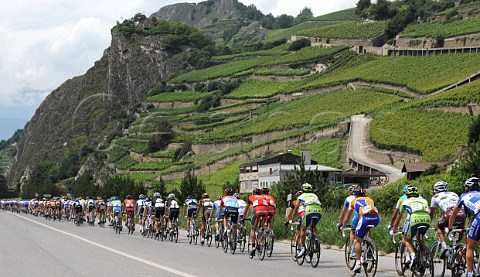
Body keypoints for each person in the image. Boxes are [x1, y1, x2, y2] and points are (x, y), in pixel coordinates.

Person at [343, 188, 380, 274]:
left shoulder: (353, 201)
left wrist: (344, 226)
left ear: (355, 195)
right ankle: (369, 246)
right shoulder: (370, 199)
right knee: (366, 232)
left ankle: (358, 263)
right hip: (376, 219)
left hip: (364, 219)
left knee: (358, 240)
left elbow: (348, 217)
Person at [391, 186, 430, 267]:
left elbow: (398, 219)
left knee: (406, 240)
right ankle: (424, 259)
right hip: (427, 220)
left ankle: (413, 256)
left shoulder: (405, 202)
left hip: (414, 220)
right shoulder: (424, 200)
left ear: (407, 195)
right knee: (420, 239)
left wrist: (394, 230)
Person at [448, 177, 480, 277]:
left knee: (470, 247)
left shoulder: (463, 196)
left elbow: (453, 215)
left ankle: (469, 273)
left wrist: (449, 228)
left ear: (467, 187)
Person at [429, 181, 465, 257]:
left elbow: (431, 214)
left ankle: (444, 245)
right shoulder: (454, 194)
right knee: (457, 241)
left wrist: (428, 223)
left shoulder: (435, 197)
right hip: (462, 214)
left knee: (440, 226)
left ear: (435, 190)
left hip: (449, 214)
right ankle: (458, 261)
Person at [286, 183, 322, 258]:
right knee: (313, 226)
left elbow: (295, 211)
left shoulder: (300, 197)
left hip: (307, 212)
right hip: (318, 212)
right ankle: (315, 239)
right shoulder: (314, 195)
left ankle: (303, 249)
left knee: (302, 229)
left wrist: (292, 220)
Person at [243, 188, 268, 257]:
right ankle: (262, 236)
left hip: (257, 211)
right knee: (261, 226)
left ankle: (253, 246)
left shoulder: (251, 197)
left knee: (253, 228)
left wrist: (244, 218)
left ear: (253, 193)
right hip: (266, 211)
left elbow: (246, 210)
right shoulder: (263, 197)